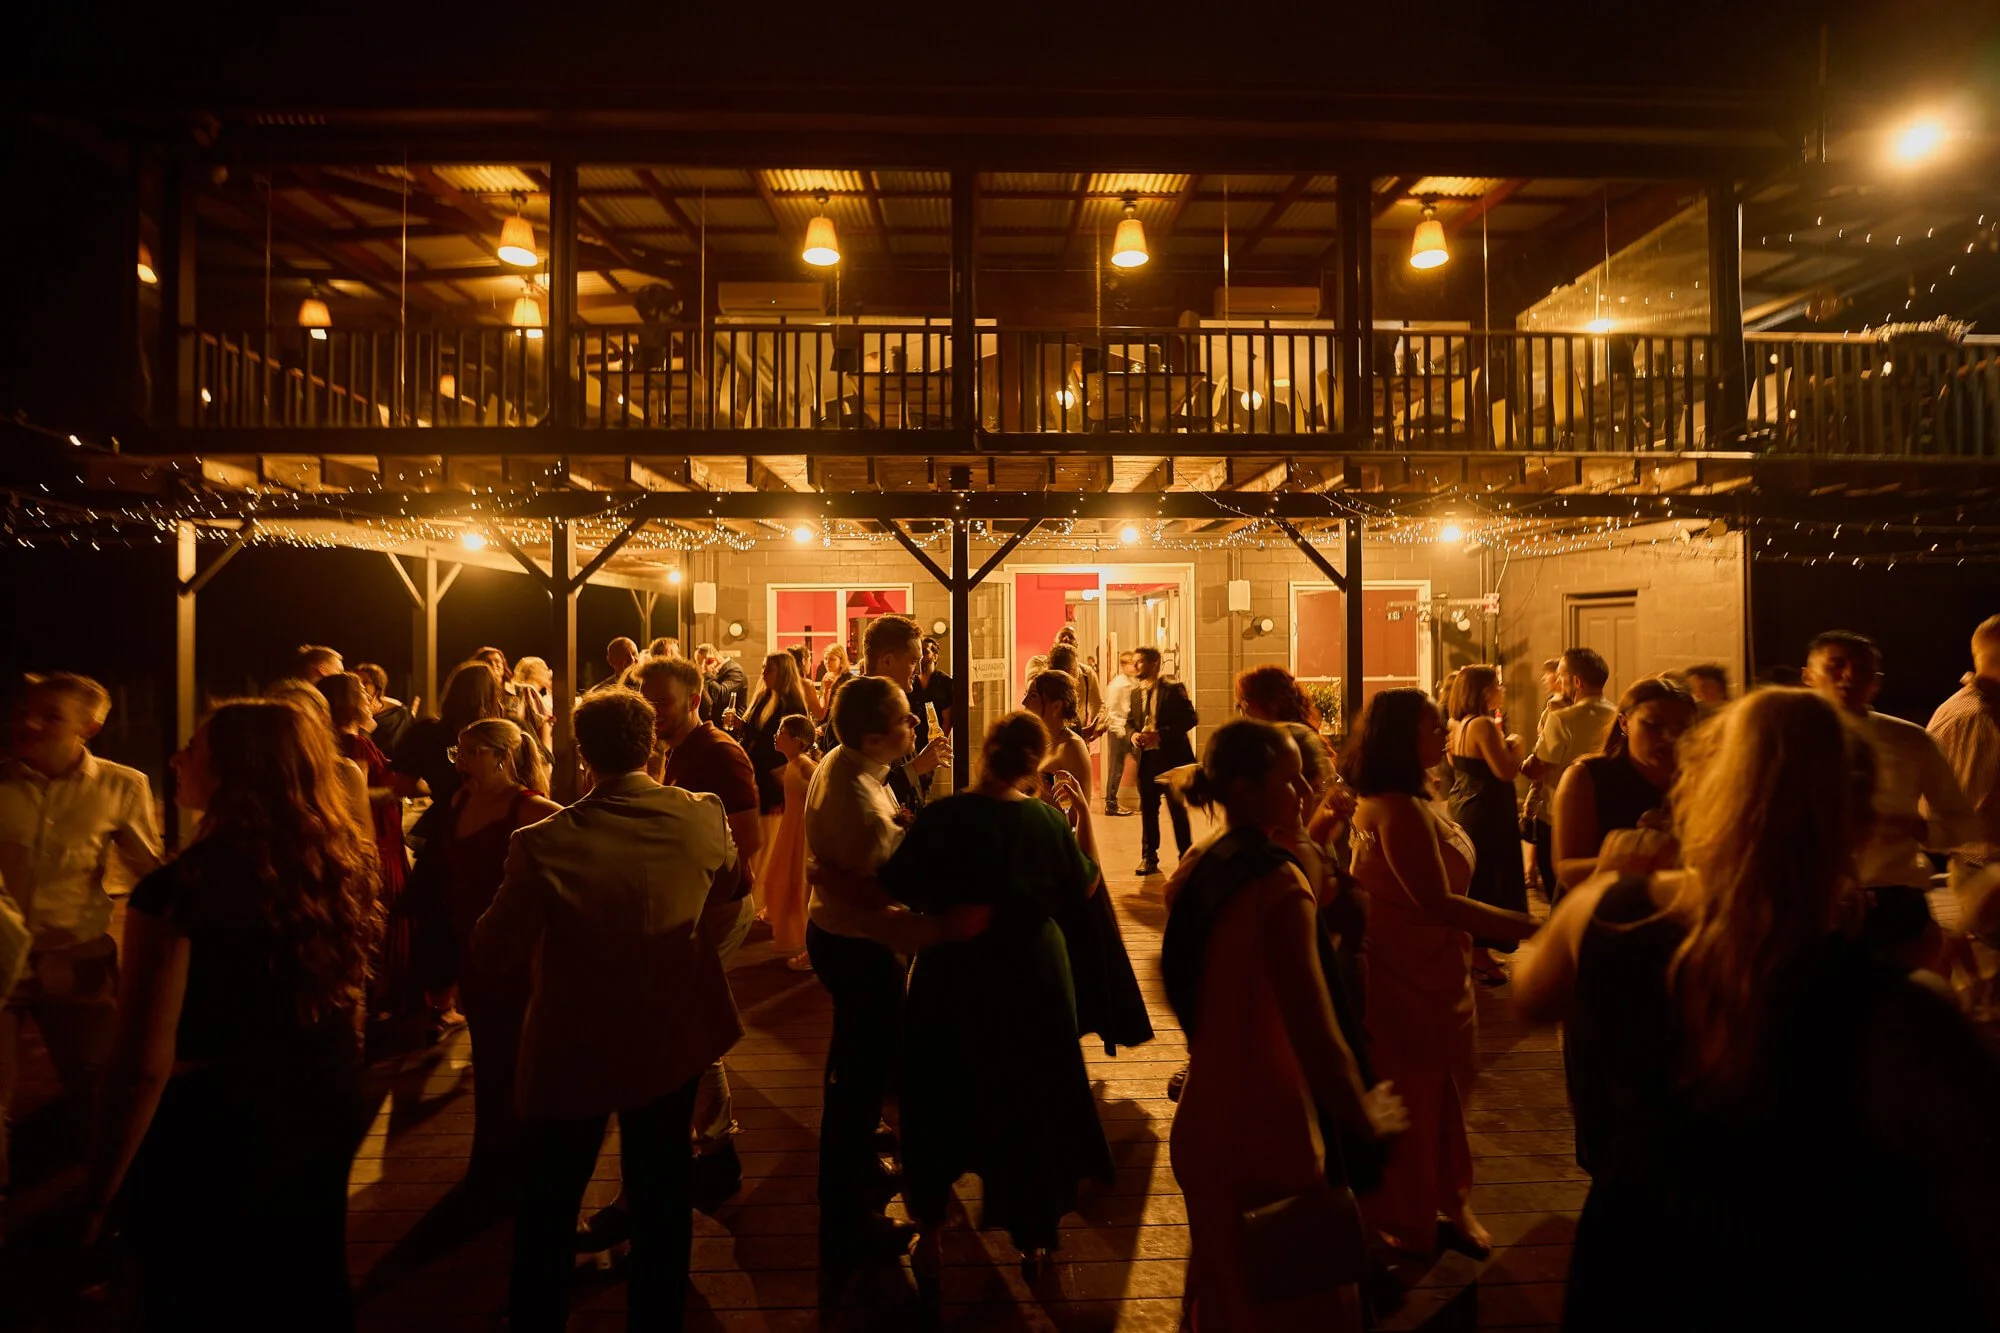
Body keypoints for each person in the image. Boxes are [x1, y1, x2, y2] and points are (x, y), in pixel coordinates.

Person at [1513, 688, 2000, 1330]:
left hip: (1638, 1259)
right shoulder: (1899, 1014)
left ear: (1702, 797)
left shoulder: (1604, 913)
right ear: (1858, 823)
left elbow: (1531, 994)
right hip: (1813, 1283)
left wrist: (1619, 885)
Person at [85, 699, 374, 1330]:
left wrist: (100, 1194)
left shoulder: (175, 894)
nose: (175, 758)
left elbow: (139, 1064)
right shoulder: (337, 864)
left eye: (192, 749)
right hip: (325, 1094)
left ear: (234, 773)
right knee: (309, 1271)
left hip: (220, 1121)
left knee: (200, 1289)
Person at [472, 688, 743, 1333]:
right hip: (672, 1031)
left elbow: (491, 951)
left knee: (551, 1196)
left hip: (576, 1039)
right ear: (652, 746)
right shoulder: (703, 815)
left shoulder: (543, 842)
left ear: (582, 753)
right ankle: (659, 1317)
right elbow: (729, 885)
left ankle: (538, 1318)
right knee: (663, 1185)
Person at [1165, 719, 1408, 1329]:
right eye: (1289, 777)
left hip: (1203, 1116)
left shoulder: (1204, 865)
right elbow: (1314, 1025)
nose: (1303, 789)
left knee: (1222, 1288)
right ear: (1246, 789)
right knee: (1296, 1304)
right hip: (1266, 1121)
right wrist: (1362, 1112)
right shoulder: (1278, 883)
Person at [883, 712, 1114, 1294]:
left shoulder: (943, 816)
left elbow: (897, 884)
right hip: (1034, 970)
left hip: (957, 966)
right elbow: (1085, 886)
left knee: (941, 1093)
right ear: (1035, 765)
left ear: (984, 752)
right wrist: (1081, 815)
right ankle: (1034, 1237)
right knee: (1032, 1095)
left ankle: (931, 1233)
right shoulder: (1043, 821)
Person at [1344, 689, 1537, 1256]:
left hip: (1432, 967)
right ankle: (1408, 1218)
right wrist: (1529, 927)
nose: (1447, 733)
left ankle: (1446, 1200)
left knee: (1443, 1093)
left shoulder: (1405, 796)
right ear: (1405, 738)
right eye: (1435, 727)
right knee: (1420, 1094)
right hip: (1407, 976)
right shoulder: (1397, 808)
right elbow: (1435, 901)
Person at [804, 675, 976, 1266]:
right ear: (877, 737)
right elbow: (881, 894)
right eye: (906, 719)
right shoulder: (856, 798)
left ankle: (858, 1179)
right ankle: (847, 1214)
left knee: (854, 1067)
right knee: (857, 1085)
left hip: (837, 934)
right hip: (862, 947)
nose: (917, 725)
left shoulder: (847, 765)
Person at [0, 673, 162, 1234]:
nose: (29, 724)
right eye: (27, 711)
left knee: (95, 1089)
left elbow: (149, 872)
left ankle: (100, 1213)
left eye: (51, 716)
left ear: (90, 726)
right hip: (0, 960)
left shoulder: (122, 786)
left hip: (78, 955)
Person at [637, 658, 763, 1203]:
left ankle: (716, 1152)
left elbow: (747, 841)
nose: (654, 713)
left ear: (693, 700)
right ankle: (710, 1148)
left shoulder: (717, 752)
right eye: (647, 703)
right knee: (691, 1023)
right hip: (695, 905)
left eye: (662, 703)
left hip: (715, 907)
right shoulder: (679, 751)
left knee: (693, 1026)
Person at [429, 719, 558, 1182]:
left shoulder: (531, 808)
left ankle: (526, 1160)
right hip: (471, 940)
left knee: (520, 1052)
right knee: (486, 1052)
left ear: (503, 756)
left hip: (516, 945)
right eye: (457, 752)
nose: (460, 762)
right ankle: (491, 1158)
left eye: (471, 752)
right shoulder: (459, 801)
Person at [1806, 630, 1979, 970]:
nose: (1849, 675)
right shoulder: (1783, 738)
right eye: (1836, 665)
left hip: (1893, 895)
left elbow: (1963, 822)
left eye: (1862, 669)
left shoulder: (1909, 740)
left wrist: (1917, 827)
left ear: (1877, 682)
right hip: (1810, 900)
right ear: (1807, 676)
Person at [1021, 670, 1154, 1055]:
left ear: (1057, 704)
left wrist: (1040, 803)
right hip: (1041, 858)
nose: (1025, 701)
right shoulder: (1040, 740)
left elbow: (1076, 814)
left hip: (1066, 862)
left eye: (1033, 694)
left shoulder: (1070, 747)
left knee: (1078, 955)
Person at [395, 661, 507, 1039]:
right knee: (486, 909)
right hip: (493, 826)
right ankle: (481, 998)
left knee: (439, 914)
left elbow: (402, 783)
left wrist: (440, 792)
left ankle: (441, 1005)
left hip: (444, 827)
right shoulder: (500, 733)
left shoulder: (428, 731)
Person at [318, 672, 413, 1018]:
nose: (370, 696)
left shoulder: (355, 738)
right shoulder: (352, 745)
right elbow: (357, 795)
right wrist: (397, 790)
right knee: (385, 915)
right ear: (347, 702)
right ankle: (378, 1003)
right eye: (361, 692)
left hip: (384, 835)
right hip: (378, 839)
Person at [1550, 677, 1697, 893]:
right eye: (1654, 724)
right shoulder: (1586, 776)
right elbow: (1568, 871)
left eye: (1682, 727)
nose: (1669, 736)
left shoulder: (1698, 780)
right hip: (1599, 910)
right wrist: (1641, 853)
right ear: (1624, 723)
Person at [1927, 614, 2000, 1037]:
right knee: (1988, 1000)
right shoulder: (1972, 719)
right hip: (1984, 873)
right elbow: (1939, 815)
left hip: (1985, 875)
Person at [1445, 666, 1528, 985]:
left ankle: (1476, 951)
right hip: (1489, 809)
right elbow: (1506, 771)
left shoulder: (1457, 723)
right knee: (1489, 880)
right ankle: (1480, 957)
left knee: (1474, 878)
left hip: (1465, 803)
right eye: (1497, 685)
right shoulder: (1483, 725)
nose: (1503, 690)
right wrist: (1516, 743)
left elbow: (1456, 763)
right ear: (1482, 691)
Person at [1521, 647, 1615, 904]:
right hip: (1604, 815)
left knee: (1561, 894)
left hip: (1557, 817)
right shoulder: (1618, 715)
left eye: (1561, 676)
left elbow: (1537, 768)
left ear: (1576, 681)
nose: (1558, 682)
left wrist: (1521, 758)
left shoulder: (1562, 719)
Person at [726, 651, 812, 890]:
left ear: (783, 673)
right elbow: (758, 735)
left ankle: (768, 892)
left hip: (775, 778)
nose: (763, 673)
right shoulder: (763, 698)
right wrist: (741, 726)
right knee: (758, 834)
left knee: (771, 837)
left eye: (768, 669)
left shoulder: (792, 704)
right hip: (757, 775)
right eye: (763, 667)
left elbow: (791, 743)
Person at [862, 613, 949, 810]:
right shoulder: (856, 709)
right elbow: (862, 793)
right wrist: (916, 768)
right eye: (912, 661)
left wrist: (923, 764)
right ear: (888, 661)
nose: (918, 670)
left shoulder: (889, 701)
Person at [267, 680, 372, 834]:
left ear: (322, 718)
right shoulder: (262, 774)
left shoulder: (344, 771)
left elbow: (365, 842)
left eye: (297, 715)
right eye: (277, 716)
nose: (287, 724)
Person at [1129, 646, 1197, 876]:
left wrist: (1161, 734)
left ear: (1155, 663)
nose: (1135, 666)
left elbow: (1191, 718)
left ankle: (1186, 857)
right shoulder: (1135, 693)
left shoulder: (1173, 689)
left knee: (1177, 810)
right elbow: (1131, 722)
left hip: (1172, 760)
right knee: (1148, 811)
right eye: (1134, 662)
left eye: (1140, 662)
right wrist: (1134, 735)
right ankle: (1149, 858)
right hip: (1147, 760)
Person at [764, 715, 818, 970]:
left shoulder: (805, 763)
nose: (776, 735)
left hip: (801, 831)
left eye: (781, 731)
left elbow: (819, 788)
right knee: (784, 879)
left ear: (797, 740)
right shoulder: (794, 763)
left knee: (799, 884)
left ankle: (810, 949)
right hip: (791, 827)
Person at [909, 635, 955, 798]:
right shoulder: (911, 681)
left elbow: (948, 718)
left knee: (924, 784)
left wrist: (941, 743)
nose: (922, 656)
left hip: (931, 740)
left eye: (926, 652)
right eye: (919, 651)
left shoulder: (944, 682)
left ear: (935, 656)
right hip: (910, 740)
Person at [1102, 650, 1137, 817]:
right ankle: (1110, 804)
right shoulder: (1118, 685)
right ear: (1124, 665)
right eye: (1131, 663)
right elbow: (1112, 709)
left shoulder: (1132, 682)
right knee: (1116, 768)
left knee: (1140, 761)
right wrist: (1119, 729)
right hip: (1118, 730)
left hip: (1127, 730)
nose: (1134, 666)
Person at [355, 662, 415, 757]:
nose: (360, 685)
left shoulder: (398, 714)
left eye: (365, 682)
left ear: (377, 685)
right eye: (357, 681)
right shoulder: (349, 708)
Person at [696, 643, 749, 725]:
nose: (701, 667)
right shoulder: (716, 672)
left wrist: (707, 673)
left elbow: (721, 696)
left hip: (731, 729)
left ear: (711, 660)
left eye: (701, 664)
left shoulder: (735, 671)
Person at [512, 656, 555, 751]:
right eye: (544, 668)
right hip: (536, 751)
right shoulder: (529, 691)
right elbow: (542, 726)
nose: (548, 672)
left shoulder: (516, 691)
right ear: (534, 673)